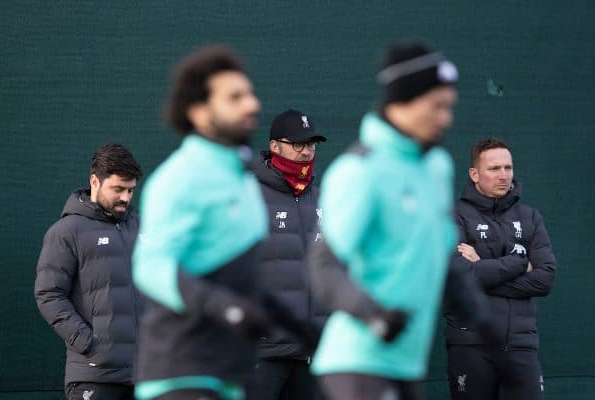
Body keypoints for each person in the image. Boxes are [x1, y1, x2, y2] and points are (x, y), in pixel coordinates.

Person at [132, 45, 315, 400]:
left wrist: (297, 326)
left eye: (249, 93)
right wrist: (225, 307)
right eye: (235, 97)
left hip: (233, 371)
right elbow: (151, 268)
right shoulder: (179, 177)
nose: (251, 104)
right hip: (181, 373)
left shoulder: (243, 180)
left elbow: (243, 277)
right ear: (199, 112)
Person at [307, 41, 462, 400]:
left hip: (407, 363)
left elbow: (441, 253)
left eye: (449, 107)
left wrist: (478, 311)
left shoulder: (437, 167)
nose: (446, 118)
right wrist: (375, 316)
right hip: (359, 361)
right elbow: (323, 266)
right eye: (436, 107)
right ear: (402, 104)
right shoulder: (360, 170)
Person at [444, 137, 556, 400]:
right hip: (470, 343)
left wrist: (482, 267)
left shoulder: (530, 217)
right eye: (494, 169)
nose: (503, 175)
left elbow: (545, 279)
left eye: (508, 168)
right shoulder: (452, 215)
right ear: (475, 174)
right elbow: (459, 275)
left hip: (521, 344)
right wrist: (520, 263)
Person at [34, 143, 143, 400]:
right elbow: (48, 294)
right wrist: (89, 344)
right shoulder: (66, 232)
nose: (126, 198)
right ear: (95, 181)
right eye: (118, 189)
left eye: (131, 190)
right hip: (94, 377)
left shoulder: (142, 226)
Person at [250, 109, 327, 400]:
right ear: (274, 147)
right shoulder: (249, 195)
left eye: (311, 144)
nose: (307, 151)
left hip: (311, 349)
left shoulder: (322, 198)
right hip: (263, 351)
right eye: (298, 144)